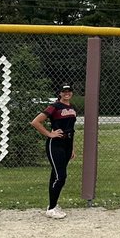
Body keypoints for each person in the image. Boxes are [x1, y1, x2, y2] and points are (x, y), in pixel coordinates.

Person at [30, 84, 78, 219]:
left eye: (69, 91)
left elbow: (71, 129)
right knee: (61, 176)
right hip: (56, 144)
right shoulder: (55, 106)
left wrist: (72, 147)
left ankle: (53, 204)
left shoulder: (72, 108)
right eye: (64, 91)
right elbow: (36, 122)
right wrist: (49, 134)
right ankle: (51, 209)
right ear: (60, 93)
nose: (67, 93)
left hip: (67, 145)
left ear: (72, 93)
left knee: (55, 176)